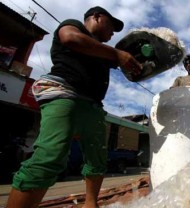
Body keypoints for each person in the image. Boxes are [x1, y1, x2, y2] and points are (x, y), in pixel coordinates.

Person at [6, 6, 142, 208]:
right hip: (63, 92)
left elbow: (132, 71)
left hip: (93, 105)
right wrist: (117, 53)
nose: (113, 33)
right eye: (111, 26)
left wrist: (137, 62)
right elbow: (70, 38)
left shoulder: (106, 53)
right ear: (96, 17)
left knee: (98, 159)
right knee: (50, 156)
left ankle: (90, 204)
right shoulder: (74, 26)